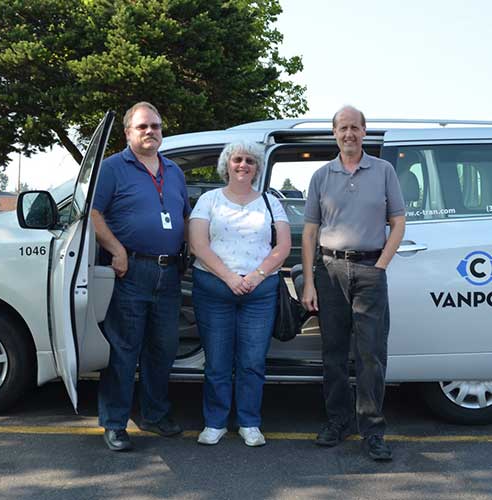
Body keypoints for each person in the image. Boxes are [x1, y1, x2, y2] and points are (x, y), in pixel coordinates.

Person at [301, 105, 406, 461]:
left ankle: (372, 431)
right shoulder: (320, 176)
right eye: (343, 128)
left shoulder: (384, 171)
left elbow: (398, 221)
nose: (349, 134)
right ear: (335, 133)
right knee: (332, 355)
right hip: (329, 272)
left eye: (355, 128)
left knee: (371, 356)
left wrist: (380, 266)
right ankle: (338, 421)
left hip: (369, 271)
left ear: (364, 132)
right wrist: (309, 282)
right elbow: (310, 232)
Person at [91, 102, 191, 451]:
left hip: (169, 273)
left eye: (156, 126)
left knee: (162, 350)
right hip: (130, 271)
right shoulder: (113, 168)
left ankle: (155, 414)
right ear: (128, 133)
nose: (151, 132)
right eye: (143, 126)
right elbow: (92, 213)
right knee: (123, 350)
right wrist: (116, 250)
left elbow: (185, 217)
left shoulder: (174, 171)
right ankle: (115, 423)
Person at [189, 141, 291, 447]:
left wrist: (256, 276)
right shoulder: (208, 200)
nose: (243, 165)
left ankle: (249, 422)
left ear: (257, 167)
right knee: (218, 361)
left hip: (259, 292)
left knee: (252, 361)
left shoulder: (271, 203)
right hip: (214, 289)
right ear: (226, 165)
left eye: (249, 160)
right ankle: (215, 422)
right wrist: (231, 278)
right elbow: (198, 244)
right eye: (237, 159)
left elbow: (283, 246)